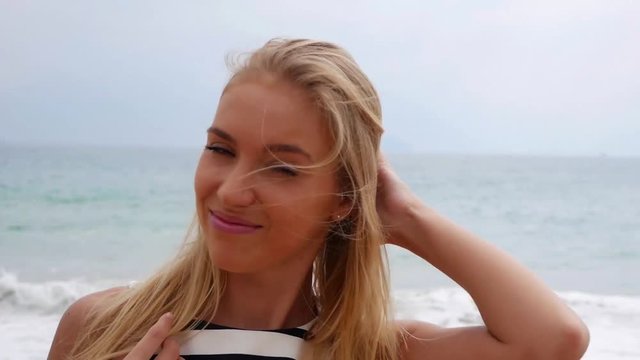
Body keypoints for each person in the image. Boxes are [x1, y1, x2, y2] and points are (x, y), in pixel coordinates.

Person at [48, 38, 589, 360]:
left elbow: (554, 340)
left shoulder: (373, 352)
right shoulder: (102, 326)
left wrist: (405, 217)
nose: (232, 190)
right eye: (220, 148)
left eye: (283, 167)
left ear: (344, 200)